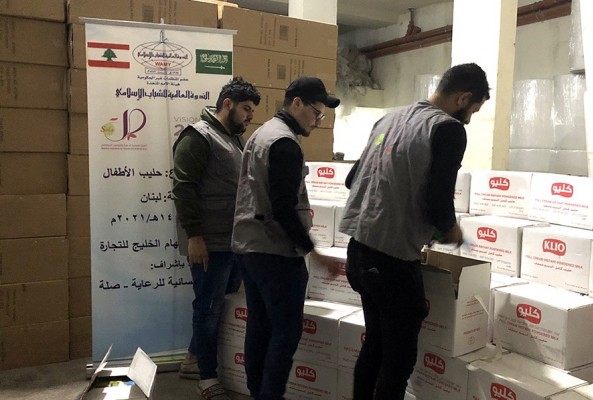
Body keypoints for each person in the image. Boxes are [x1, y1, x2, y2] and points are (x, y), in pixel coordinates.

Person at [338, 63, 491, 399]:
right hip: (392, 261)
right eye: (473, 110)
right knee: (398, 362)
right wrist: (450, 229)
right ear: (463, 98)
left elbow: (352, 180)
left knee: (375, 343)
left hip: (358, 253)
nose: (469, 119)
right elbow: (437, 199)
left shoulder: (388, 119)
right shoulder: (448, 129)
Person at [232, 76, 341, 400]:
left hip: (250, 247)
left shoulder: (262, 133)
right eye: (316, 113)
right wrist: (312, 250)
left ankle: (257, 391)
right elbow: (282, 208)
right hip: (276, 253)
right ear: (296, 103)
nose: (317, 121)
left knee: (260, 326)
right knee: (285, 333)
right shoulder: (284, 144)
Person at [173, 77, 261, 400]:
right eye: (246, 109)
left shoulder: (234, 138)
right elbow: (183, 189)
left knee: (217, 305)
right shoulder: (198, 137)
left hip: (234, 241)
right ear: (228, 104)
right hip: (208, 242)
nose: (250, 116)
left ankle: (193, 359)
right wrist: (195, 237)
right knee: (208, 308)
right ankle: (207, 377)